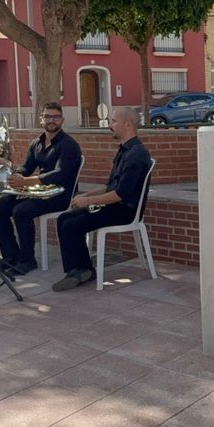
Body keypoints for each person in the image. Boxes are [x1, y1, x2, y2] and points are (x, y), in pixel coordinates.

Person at [51, 107, 152, 292]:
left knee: (72, 225)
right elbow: (110, 186)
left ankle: (81, 271)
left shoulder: (137, 155)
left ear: (128, 125)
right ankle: (80, 270)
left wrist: (89, 202)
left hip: (124, 211)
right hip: (113, 206)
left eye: (113, 121)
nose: (110, 125)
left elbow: (120, 194)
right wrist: (88, 195)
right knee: (64, 218)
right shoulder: (124, 150)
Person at [0, 102, 81, 276]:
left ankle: (27, 260)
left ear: (62, 120)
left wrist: (26, 181)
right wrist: (14, 175)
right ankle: (11, 257)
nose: (51, 120)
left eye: (55, 117)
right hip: (40, 192)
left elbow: (60, 174)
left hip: (62, 195)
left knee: (21, 211)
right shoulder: (36, 143)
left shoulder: (69, 145)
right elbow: (27, 167)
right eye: (47, 116)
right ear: (41, 119)